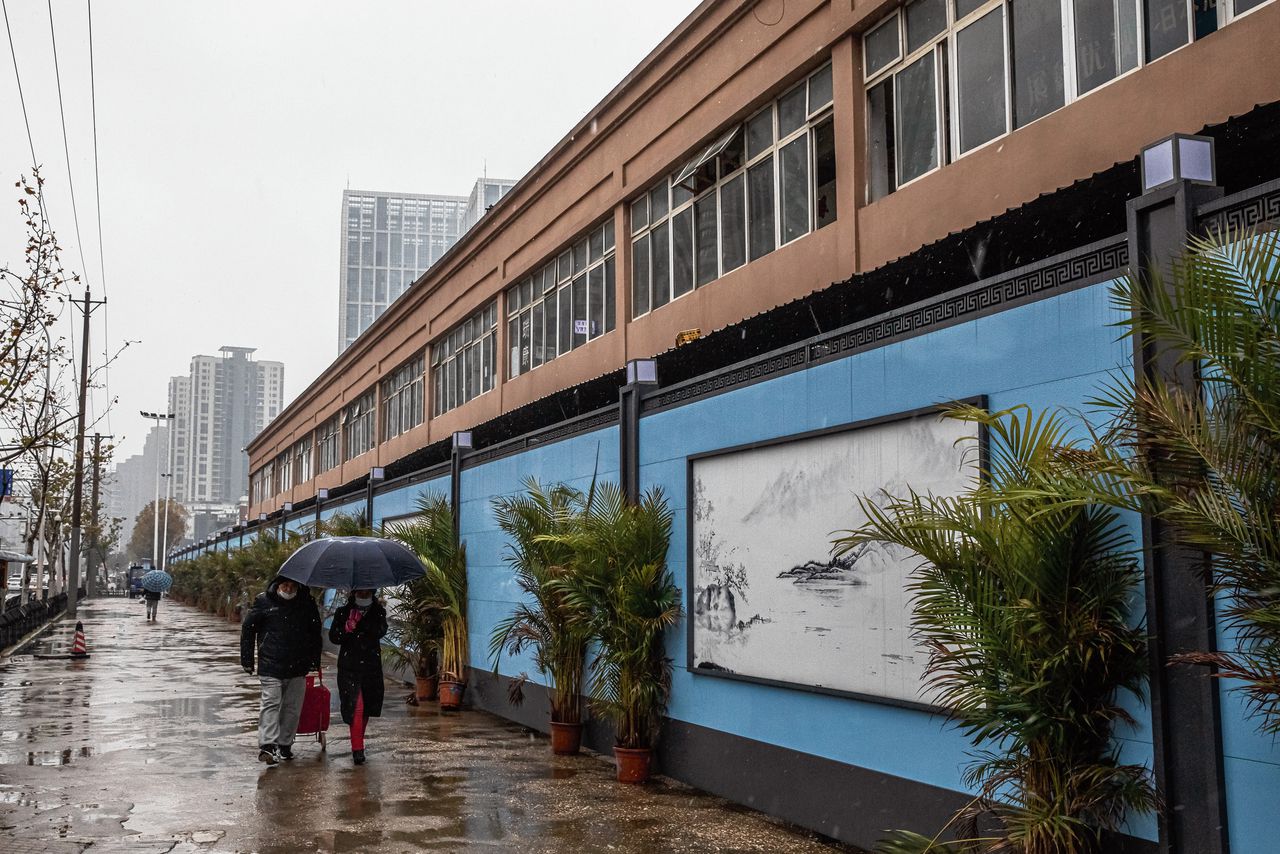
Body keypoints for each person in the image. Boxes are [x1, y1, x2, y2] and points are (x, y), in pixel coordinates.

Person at [240, 576, 321, 766]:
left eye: (293, 585)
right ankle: (267, 745)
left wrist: (313, 661)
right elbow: (248, 630)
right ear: (277, 585)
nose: (289, 588)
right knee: (271, 703)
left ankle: (285, 744)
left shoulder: (306, 603)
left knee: (292, 708)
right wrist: (247, 660)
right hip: (270, 664)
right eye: (285, 585)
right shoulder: (264, 601)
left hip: (298, 665)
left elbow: (315, 632)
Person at [328, 588, 388, 765]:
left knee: (367, 707)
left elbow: (380, 631)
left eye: (366, 591)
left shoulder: (378, 612)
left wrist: (362, 623)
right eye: (359, 590)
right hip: (349, 667)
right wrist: (346, 628)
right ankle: (357, 749)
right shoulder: (343, 612)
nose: (363, 594)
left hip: (371, 667)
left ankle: (357, 740)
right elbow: (334, 637)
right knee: (356, 706)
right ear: (354, 592)